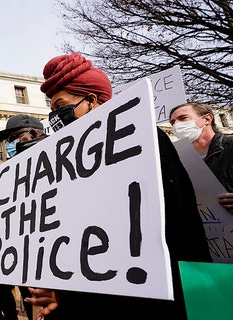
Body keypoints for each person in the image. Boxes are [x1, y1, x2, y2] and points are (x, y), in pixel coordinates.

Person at [25, 52, 211, 320]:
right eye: (52, 110)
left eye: (61, 105)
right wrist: (62, 290)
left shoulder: (141, 136)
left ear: (91, 100)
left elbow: (163, 234)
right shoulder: (67, 160)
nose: (55, 116)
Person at [0, 114, 47, 319]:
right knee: (31, 302)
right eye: (7, 141)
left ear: (32, 133)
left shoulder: (55, 156)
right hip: (24, 257)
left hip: (50, 254)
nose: (9, 145)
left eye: (14, 137)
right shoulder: (10, 169)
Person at [169, 102, 233, 213]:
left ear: (207, 119)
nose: (176, 126)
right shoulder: (178, 162)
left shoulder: (230, 147)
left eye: (183, 118)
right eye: (173, 122)